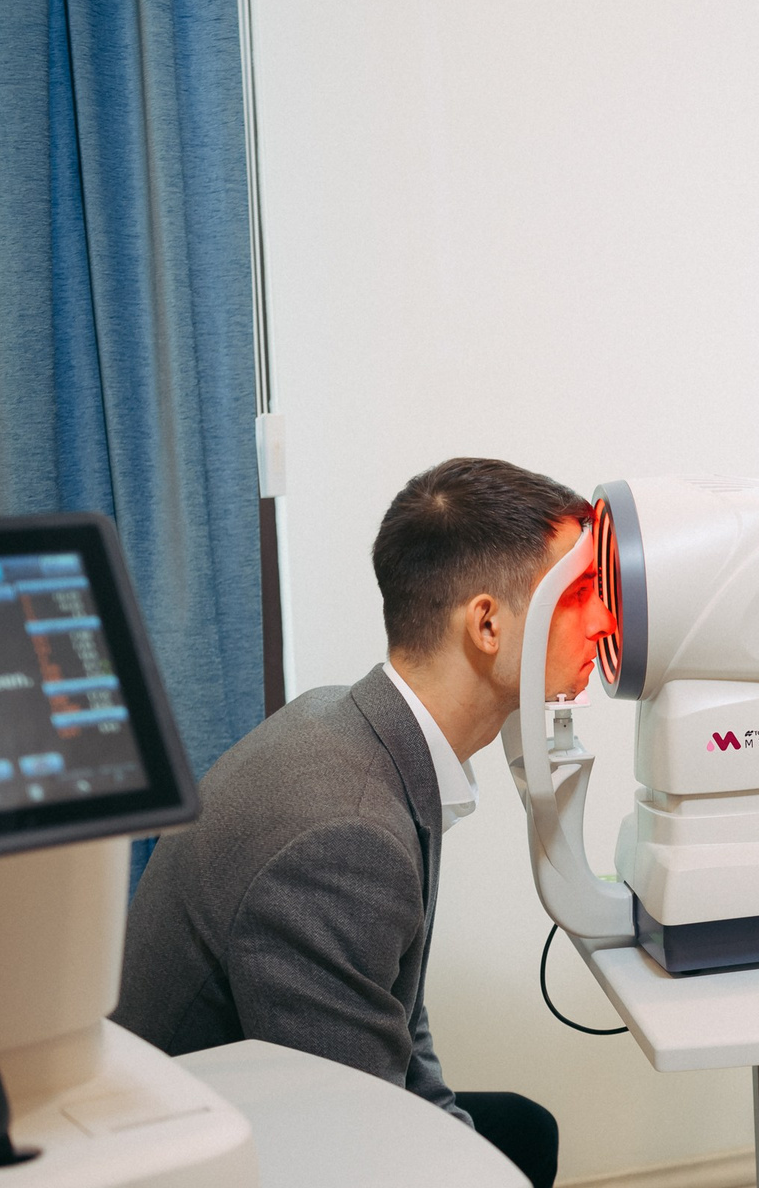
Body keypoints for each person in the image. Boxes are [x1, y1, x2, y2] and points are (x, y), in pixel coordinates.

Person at [115, 457, 617, 1188]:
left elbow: (398, 1012)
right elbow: (355, 1146)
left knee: (520, 1129)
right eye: (577, 595)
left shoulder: (355, 722)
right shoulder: (344, 834)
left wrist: (450, 1126)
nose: (604, 620)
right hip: (197, 1156)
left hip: (288, 1099)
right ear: (487, 623)